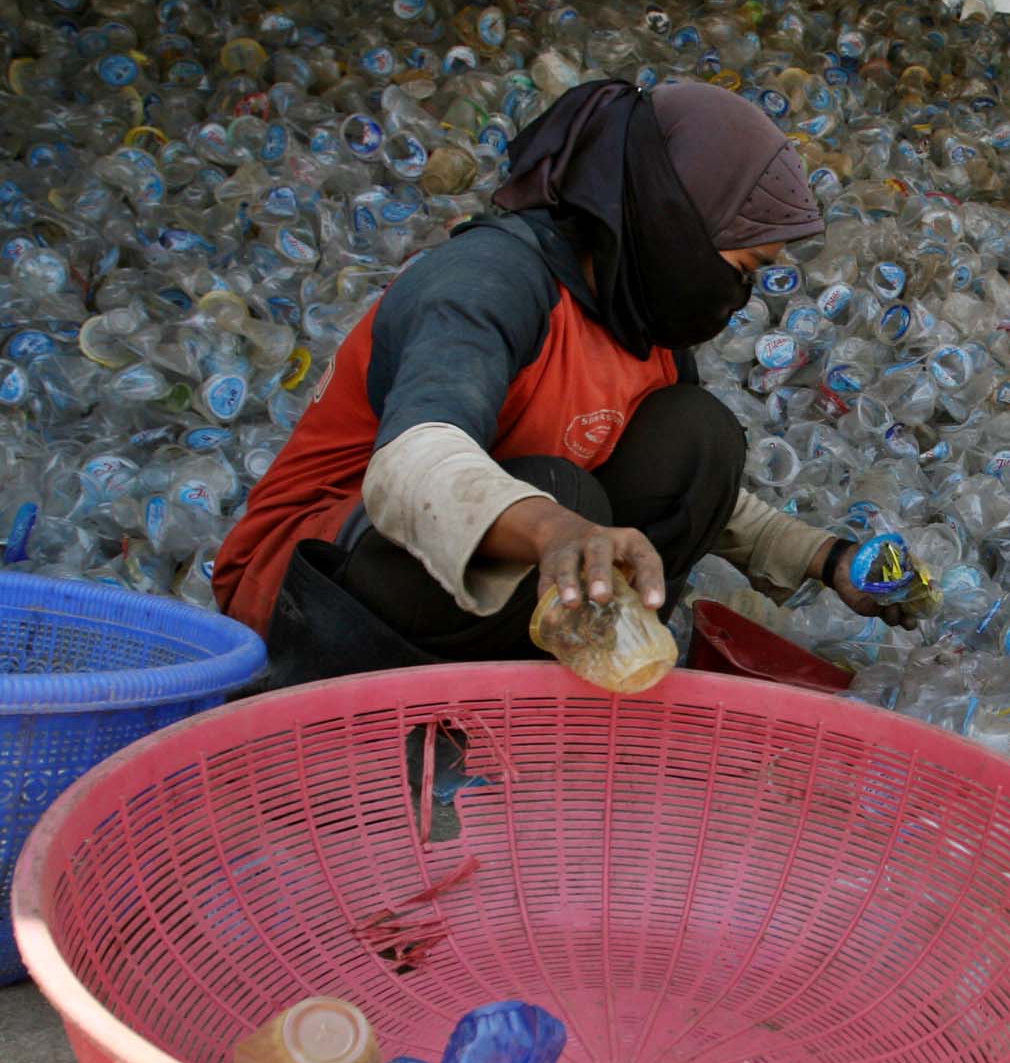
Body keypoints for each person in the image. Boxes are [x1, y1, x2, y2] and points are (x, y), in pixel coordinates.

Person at [215, 79, 911, 686]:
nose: (744, 292)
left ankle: (540, 695)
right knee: (566, 494)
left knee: (700, 438)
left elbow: (707, 496)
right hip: (303, 589)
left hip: (465, 588)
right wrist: (555, 527)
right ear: (672, 216)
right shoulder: (490, 282)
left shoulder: (640, 321)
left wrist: (829, 559)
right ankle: (412, 714)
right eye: (744, 263)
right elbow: (412, 465)